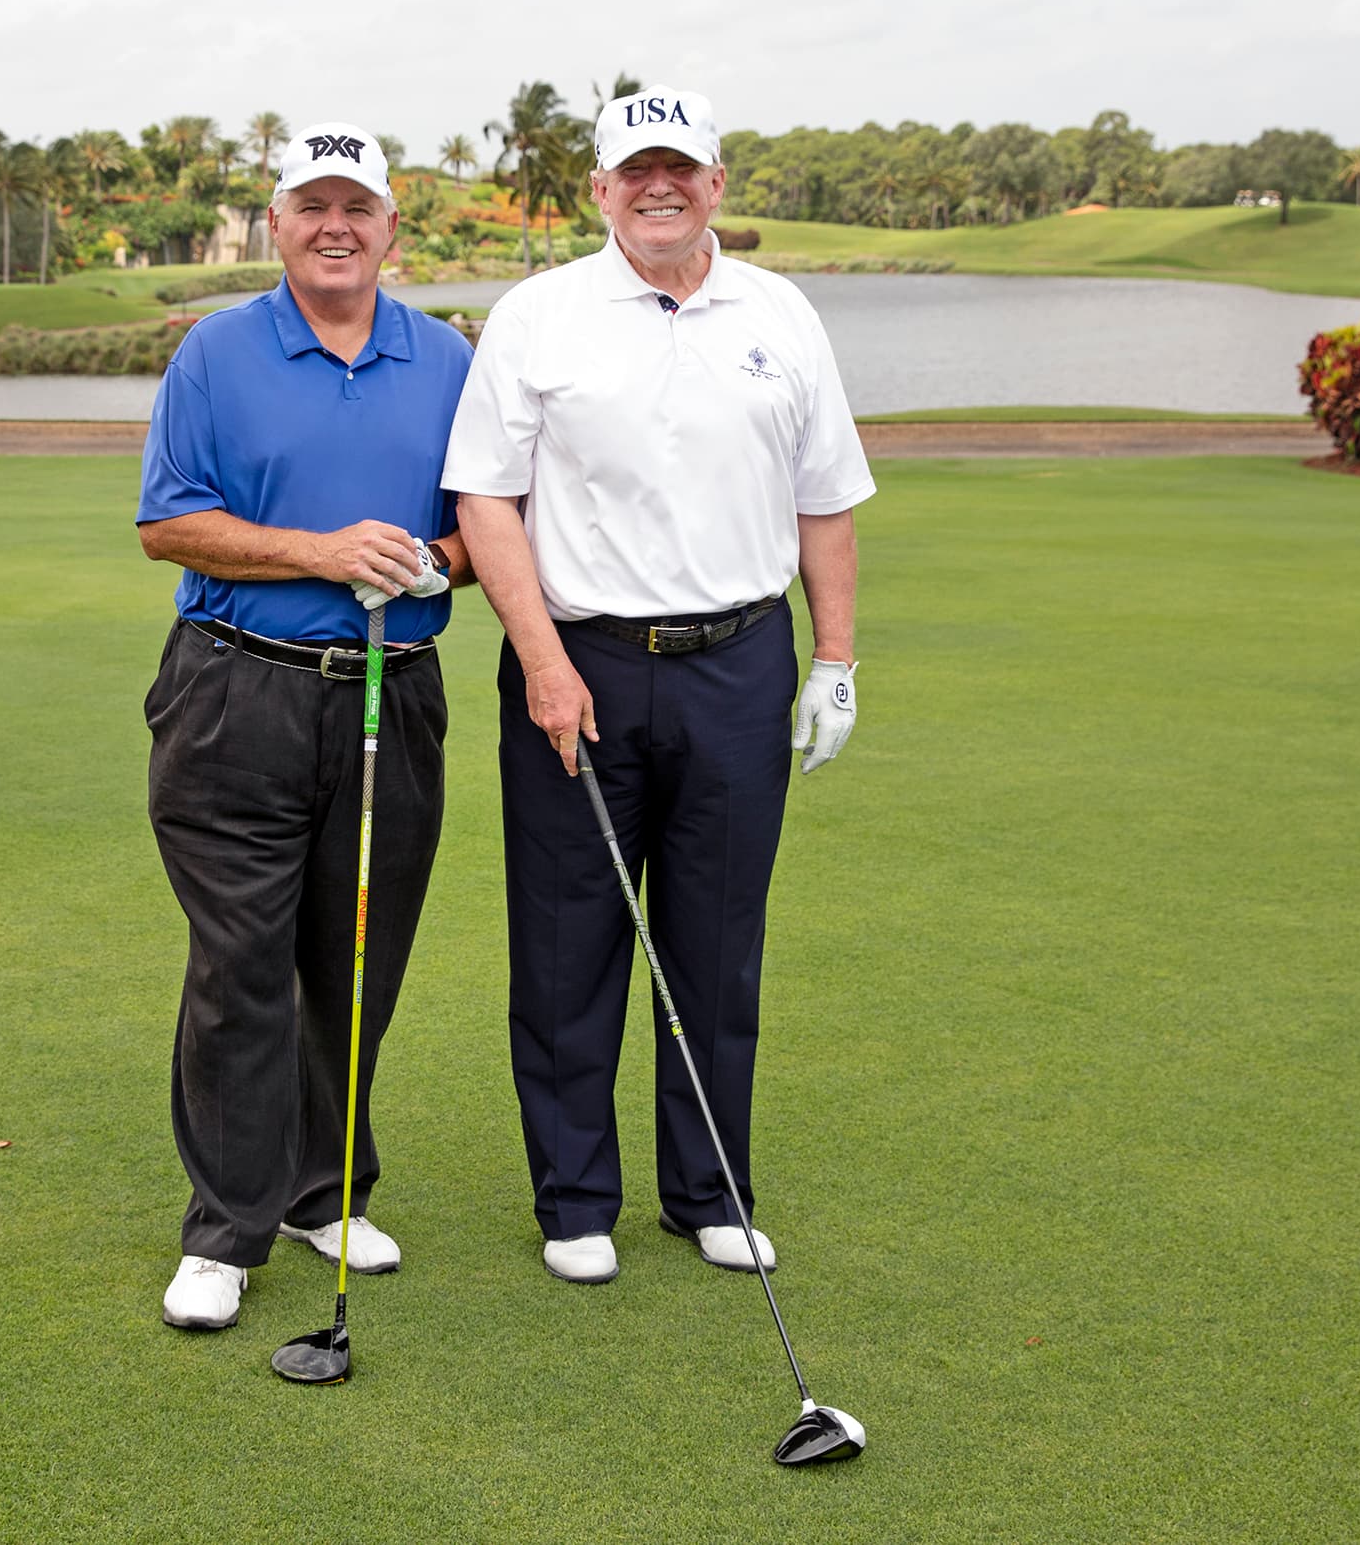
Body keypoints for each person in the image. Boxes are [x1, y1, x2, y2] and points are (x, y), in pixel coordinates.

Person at [444, 84, 874, 1287]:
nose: (658, 186)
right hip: (575, 664)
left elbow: (825, 497)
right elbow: (486, 497)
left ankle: (709, 1191)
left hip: (738, 665)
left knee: (716, 944)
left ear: (716, 183)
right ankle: (577, 1199)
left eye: (679, 166)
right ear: (600, 188)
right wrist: (538, 660)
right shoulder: (538, 315)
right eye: (634, 169)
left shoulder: (780, 315)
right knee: (568, 943)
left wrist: (832, 660)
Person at [137, 123, 474, 1331]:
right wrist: (320, 551)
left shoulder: (446, 358)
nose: (336, 226)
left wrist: (425, 558)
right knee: (241, 959)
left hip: (393, 689)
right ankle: (224, 1229)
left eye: (358, 207)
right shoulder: (215, 352)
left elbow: (484, 532)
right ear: (275, 223)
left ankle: (321, 1192)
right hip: (237, 691)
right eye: (311, 205)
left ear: (392, 227)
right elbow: (169, 523)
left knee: (356, 956)